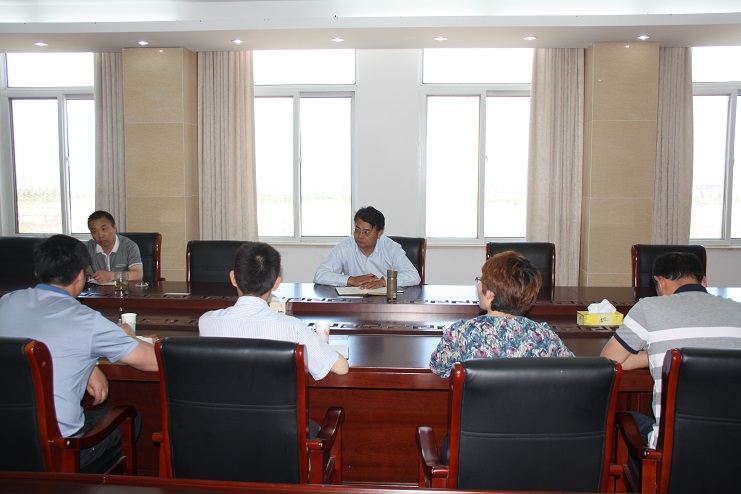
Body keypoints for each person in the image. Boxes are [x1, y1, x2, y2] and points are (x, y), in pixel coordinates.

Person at [0, 234, 158, 473]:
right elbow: (153, 361)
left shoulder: (6, 303)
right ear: (80, 276)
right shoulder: (86, 320)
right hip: (59, 450)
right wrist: (127, 335)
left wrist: (90, 363)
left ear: (37, 272)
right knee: (130, 417)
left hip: (8, 444)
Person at [601, 252, 741, 448]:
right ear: (704, 281)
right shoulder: (737, 310)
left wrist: (657, 353)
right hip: (733, 447)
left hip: (675, 451)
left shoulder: (648, 308)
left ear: (660, 282)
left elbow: (608, 361)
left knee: (628, 417)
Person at [199, 241, 349, 381]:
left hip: (222, 402)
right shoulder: (292, 328)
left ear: (233, 278)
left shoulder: (207, 322)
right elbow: (341, 368)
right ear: (276, 283)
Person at [430, 250, 573, 378]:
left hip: (481, 401)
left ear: (490, 294)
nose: (479, 284)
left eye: (481, 280)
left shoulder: (460, 332)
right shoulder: (544, 336)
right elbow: (571, 370)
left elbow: (438, 368)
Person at [313, 206, 421, 288]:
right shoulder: (345, 247)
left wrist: (384, 282)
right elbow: (320, 275)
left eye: (366, 232)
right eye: (357, 230)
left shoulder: (391, 248)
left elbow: (413, 276)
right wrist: (350, 280)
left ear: (379, 233)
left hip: (385, 303)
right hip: (354, 302)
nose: (360, 236)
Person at [86, 210, 143, 283]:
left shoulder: (129, 246)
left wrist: (110, 276)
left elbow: (138, 275)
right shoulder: (88, 247)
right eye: (94, 231)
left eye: (104, 229)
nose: (100, 235)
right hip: (99, 290)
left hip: (124, 289)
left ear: (114, 228)